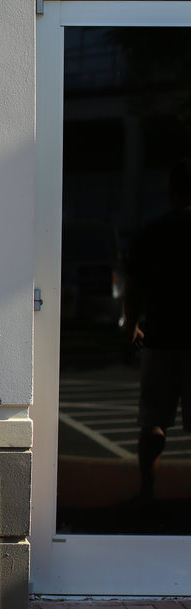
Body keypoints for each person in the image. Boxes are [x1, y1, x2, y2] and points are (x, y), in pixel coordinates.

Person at [123, 156, 191, 504]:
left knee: (153, 420)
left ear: (172, 192)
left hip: (162, 337)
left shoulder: (153, 232)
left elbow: (134, 286)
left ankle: (147, 494)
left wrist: (131, 324)